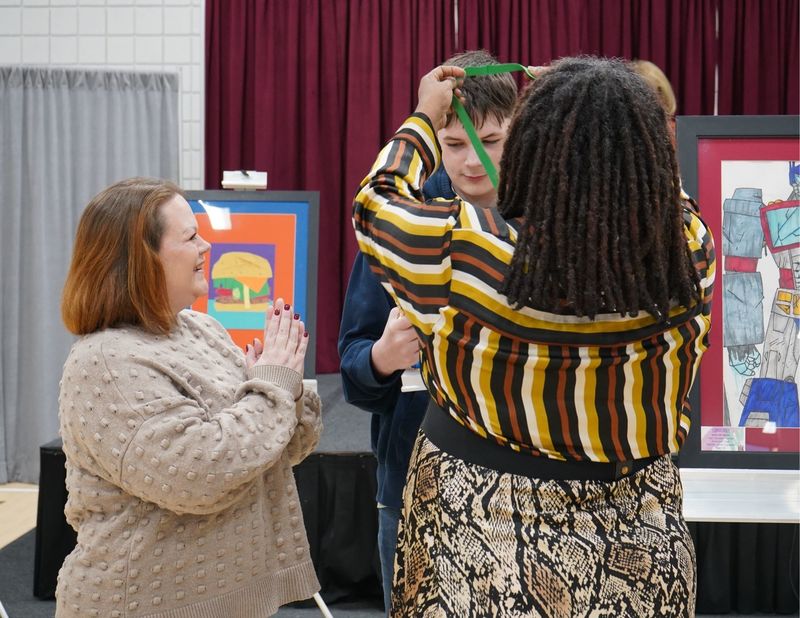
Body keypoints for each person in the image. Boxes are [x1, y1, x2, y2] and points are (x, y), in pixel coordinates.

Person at [352, 57, 715, 616]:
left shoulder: (469, 253)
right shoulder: (689, 253)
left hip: (482, 551)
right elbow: (668, 194)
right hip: (642, 550)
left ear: (528, 149)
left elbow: (377, 201)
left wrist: (425, 116)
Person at [57, 177, 322, 617]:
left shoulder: (203, 329)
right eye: (190, 236)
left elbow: (281, 449)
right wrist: (273, 385)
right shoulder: (104, 361)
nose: (206, 247)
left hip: (230, 600)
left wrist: (282, 386)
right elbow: (201, 475)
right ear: (142, 260)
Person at [338, 49, 517, 613]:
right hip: (415, 485)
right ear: (432, 138)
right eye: (455, 143)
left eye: (489, 142)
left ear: (519, 133)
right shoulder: (404, 221)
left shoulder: (549, 219)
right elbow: (353, 370)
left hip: (527, 486)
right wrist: (384, 359)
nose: (471, 162)